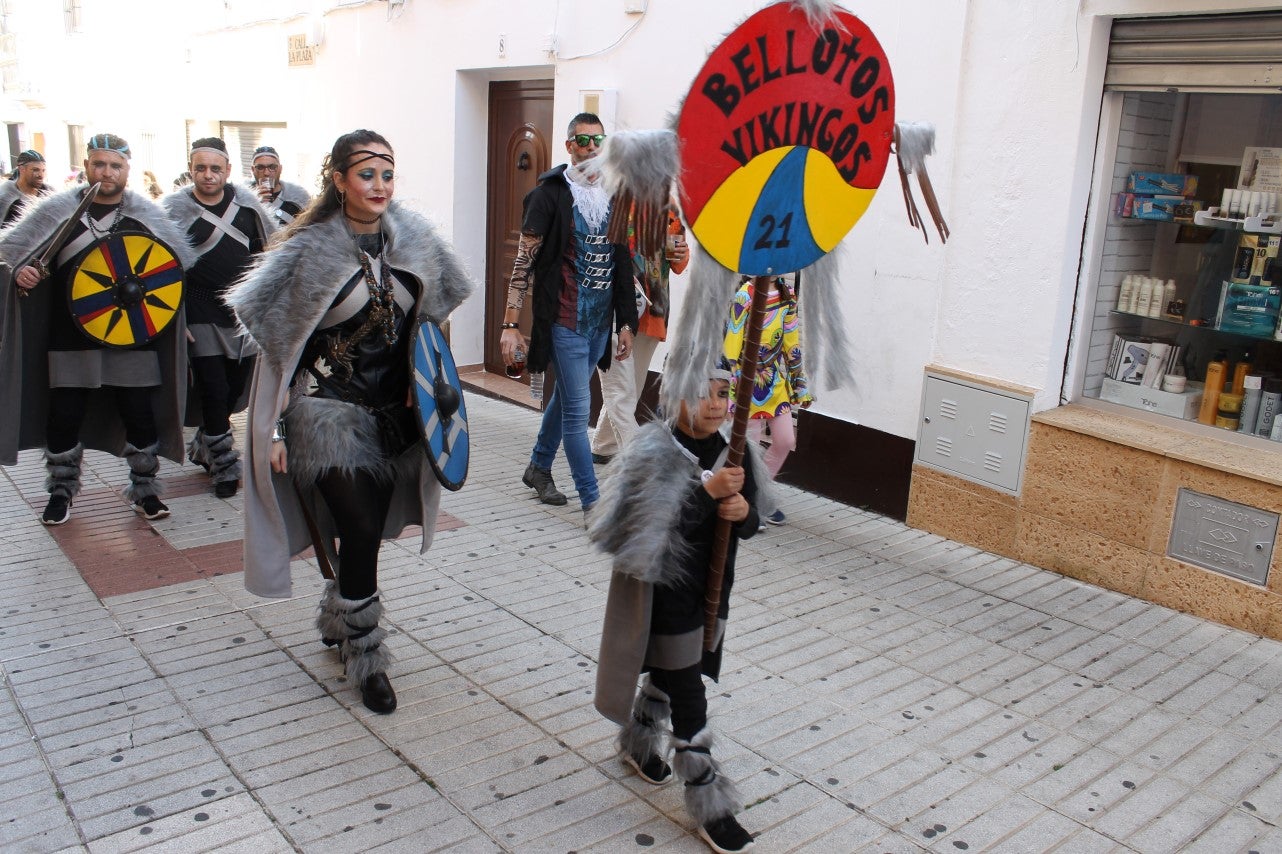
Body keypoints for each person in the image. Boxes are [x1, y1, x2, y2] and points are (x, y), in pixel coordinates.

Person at [226, 129, 473, 714]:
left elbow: (432, 331)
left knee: (371, 529)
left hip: (396, 412)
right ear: (338, 180)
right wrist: (276, 430)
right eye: (367, 174)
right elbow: (279, 353)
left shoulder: (417, 244)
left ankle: (340, 612)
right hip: (326, 410)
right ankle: (366, 652)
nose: (380, 185)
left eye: (388, 174)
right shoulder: (306, 252)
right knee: (359, 525)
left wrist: (434, 391)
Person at [589, 367, 760, 854]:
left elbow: (750, 519)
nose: (714, 403)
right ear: (672, 396)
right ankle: (711, 805)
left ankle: (640, 745)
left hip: (711, 591)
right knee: (689, 694)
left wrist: (742, 513)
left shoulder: (735, 449)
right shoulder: (653, 452)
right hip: (664, 598)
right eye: (700, 393)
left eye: (723, 393)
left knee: (671, 674)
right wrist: (707, 496)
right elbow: (642, 537)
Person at [0, 133, 195, 525]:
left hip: (131, 335)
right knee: (64, 415)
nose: (106, 172)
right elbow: (11, 256)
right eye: (99, 164)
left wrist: (177, 323)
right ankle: (61, 491)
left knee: (138, 415)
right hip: (70, 333)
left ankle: (145, 491)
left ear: (128, 169)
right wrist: (19, 274)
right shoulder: (56, 213)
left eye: (115, 166)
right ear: (86, 166)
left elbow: (168, 274)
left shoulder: (146, 218)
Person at [498, 112, 637, 512]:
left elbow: (622, 263)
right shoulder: (547, 196)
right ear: (569, 146)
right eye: (582, 141)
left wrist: (626, 322)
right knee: (579, 413)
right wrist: (510, 324)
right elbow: (524, 264)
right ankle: (593, 502)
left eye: (598, 141)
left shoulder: (614, 195)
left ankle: (539, 466)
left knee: (566, 399)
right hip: (564, 321)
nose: (591, 148)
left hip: (599, 326)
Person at [162, 137, 275, 498]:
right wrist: (175, 319)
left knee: (235, 387)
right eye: (200, 168)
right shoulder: (173, 212)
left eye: (215, 168)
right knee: (213, 388)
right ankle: (224, 466)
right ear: (191, 169)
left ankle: (206, 443)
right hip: (199, 308)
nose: (208, 175)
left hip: (241, 313)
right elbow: (162, 270)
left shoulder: (248, 210)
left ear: (227, 170)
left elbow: (267, 259)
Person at [589, 202, 689, 464]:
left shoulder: (669, 210)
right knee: (621, 389)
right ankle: (638, 460)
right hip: (613, 308)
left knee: (630, 386)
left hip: (653, 312)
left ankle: (602, 446)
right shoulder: (612, 201)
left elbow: (678, 263)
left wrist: (679, 253)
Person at [722, 274, 812, 527]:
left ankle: (759, 495)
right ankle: (747, 502)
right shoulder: (745, 295)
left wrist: (799, 385)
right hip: (744, 381)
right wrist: (730, 390)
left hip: (774, 383)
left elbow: (791, 343)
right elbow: (732, 345)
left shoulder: (787, 294)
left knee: (785, 440)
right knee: (748, 447)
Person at [249, 145, 311, 227]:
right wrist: (254, 202)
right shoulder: (242, 199)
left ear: (280, 169)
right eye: (260, 167)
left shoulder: (299, 199)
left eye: (272, 167)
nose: (266, 173)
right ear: (253, 170)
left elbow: (309, 231)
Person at [0, 150, 53, 224]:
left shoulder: (50, 194)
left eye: (43, 170)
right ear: (22, 169)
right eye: (35, 170)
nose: (41, 175)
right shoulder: (5, 196)